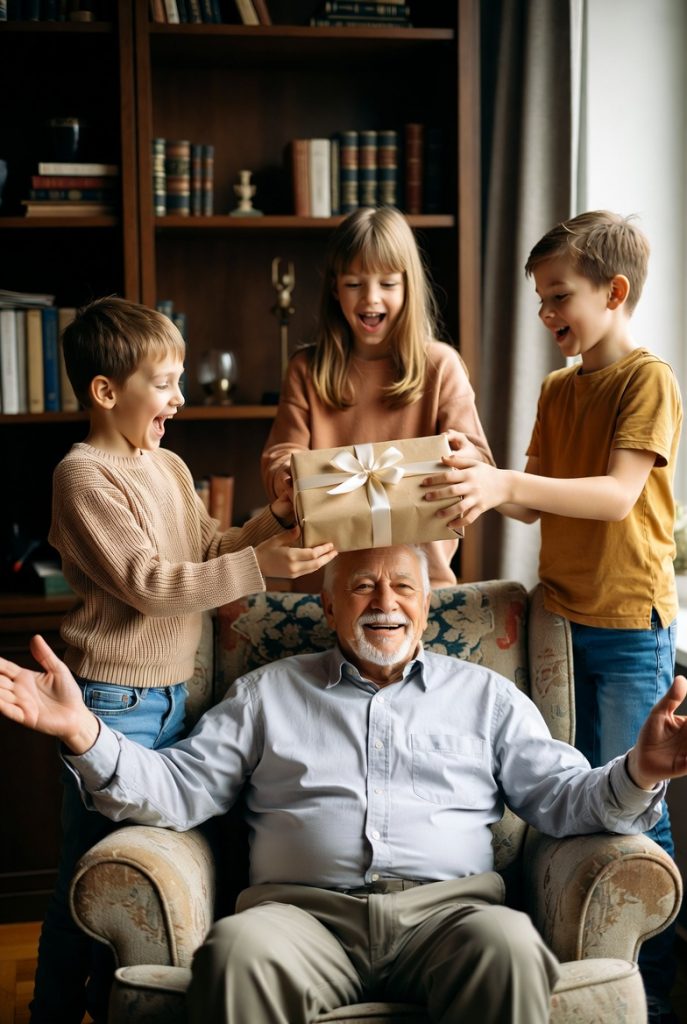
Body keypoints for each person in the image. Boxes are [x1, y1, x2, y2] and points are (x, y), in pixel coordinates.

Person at [2, 544, 686, 1024]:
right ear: (327, 608)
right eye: (361, 587)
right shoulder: (264, 694)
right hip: (300, 918)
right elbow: (177, 788)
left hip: (451, 917)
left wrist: (641, 769)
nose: (383, 602)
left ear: (427, 606)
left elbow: (564, 800)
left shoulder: (487, 697)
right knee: (236, 954)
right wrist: (83, 732)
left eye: (403, 587)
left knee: (509, 949)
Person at [32, 296, 337, 1024]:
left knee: (142, 878)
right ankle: (51, 1010)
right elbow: (149, 584)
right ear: (107, 392)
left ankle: (113, 1002)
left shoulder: (165, 464)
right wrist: (263, 563)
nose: (179, 398)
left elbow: (207, 549)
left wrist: (277, 522)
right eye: (164, 382)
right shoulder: (84, 477)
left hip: (176, 698)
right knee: (95, 877)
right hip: (112, 704)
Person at [422, 210, 684, 1022]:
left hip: (625, 626)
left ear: (613, 292)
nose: (545, 317)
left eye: (557, 297)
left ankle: (657, 981)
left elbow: (612, 497)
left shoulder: (647, 380)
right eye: (538, 300)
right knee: (572, 798)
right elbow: (532, 502)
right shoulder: (554, 387)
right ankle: (578, 962)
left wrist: (503, 487)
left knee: (635, 802)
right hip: (557, 624)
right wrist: (483, 472)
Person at [261, 206, 494, 589]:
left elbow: (479, 465)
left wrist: (463, 458)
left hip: (420, 586)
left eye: (387, 284)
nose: (371, 298)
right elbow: (280, 453)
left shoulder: (441, 365)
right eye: (355, 284)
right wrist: (287, 476)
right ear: (335, 288)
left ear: (408, 286)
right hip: (326, 584)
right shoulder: (306, 369)